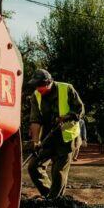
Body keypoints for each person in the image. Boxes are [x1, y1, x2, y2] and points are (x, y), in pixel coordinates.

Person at [27, 69, 84, 199]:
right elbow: (35, 119)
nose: (38, 88)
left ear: (49, 82)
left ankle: (54, 200)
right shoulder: (36, 95)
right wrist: (35, 141)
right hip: (48, 137)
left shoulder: (67, 89)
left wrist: (66, 117)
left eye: (40, 85)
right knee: (33, 166)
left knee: (58, 171)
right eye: (36, 85)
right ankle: (49, 195)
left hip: (66, 137)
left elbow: (80, 110)